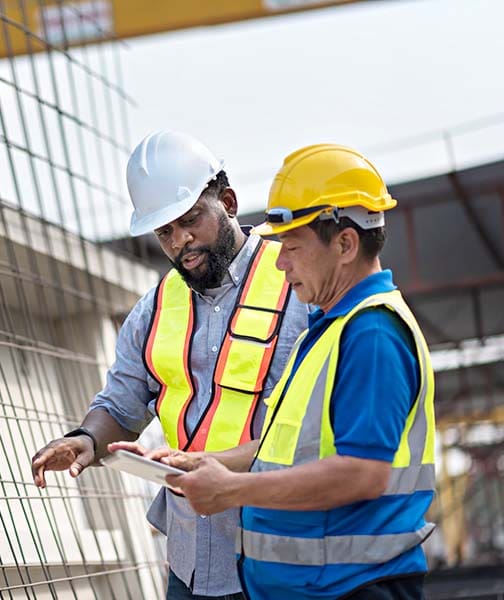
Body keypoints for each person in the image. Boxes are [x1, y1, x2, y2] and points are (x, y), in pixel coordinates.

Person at [31, 130, 311, 599]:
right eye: (165, 231)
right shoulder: (155, 309)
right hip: (191, 558)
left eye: (191, 220)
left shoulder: (297, 284)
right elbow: (120, 407)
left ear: (228, 201)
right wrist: (85, 439)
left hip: (280, 552)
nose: (182, 241)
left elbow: (317, 431)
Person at [163, 143, 436, 600]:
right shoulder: (330, 328)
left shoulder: (371, 334)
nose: (280, 261)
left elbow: (362, 474)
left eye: (291, 246)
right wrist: (204, 463)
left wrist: (232, 490)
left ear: (345, 244)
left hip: (351, 588)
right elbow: (286, 450)